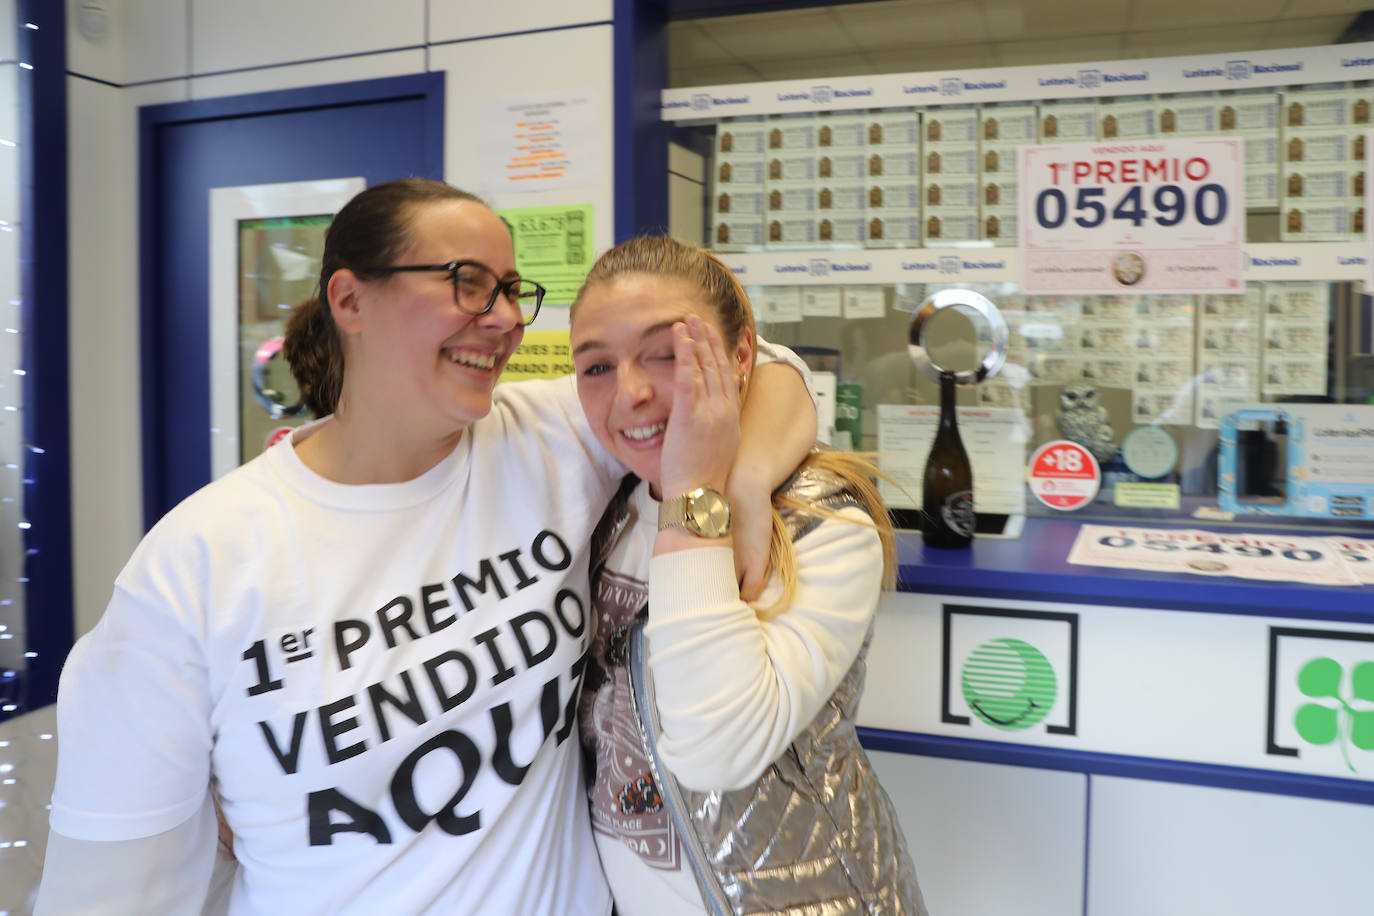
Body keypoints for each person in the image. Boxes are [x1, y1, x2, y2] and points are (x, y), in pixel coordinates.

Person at [34, 179, 818, 915]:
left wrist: (735, 488)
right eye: (468, 282)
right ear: (350, 299)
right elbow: (110, 891)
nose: (507, 318)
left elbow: (771, 369)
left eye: (512, 291)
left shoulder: (547, 436)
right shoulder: (197, 564)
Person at [570, 236, 927, 916]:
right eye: (596, 367)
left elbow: (716, 753)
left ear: (738, 357)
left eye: (668, 353)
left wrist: (702, 495)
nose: (632, 392)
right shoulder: (602, 500)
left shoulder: (819, 519)